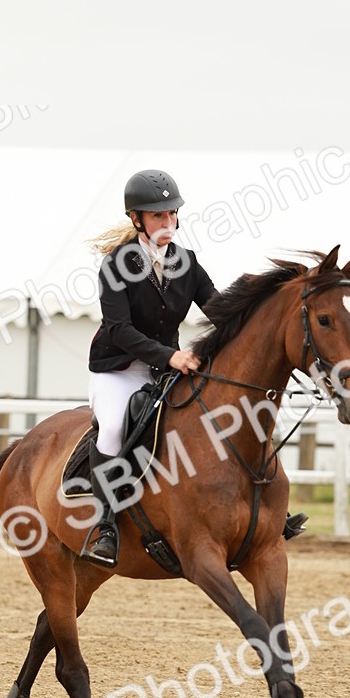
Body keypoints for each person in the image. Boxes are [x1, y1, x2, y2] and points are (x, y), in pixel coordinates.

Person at [83, 169, 217, 567]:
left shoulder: (186, 263)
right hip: (117, 369)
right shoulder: (116, 265)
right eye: (158, 216)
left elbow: (220, 310)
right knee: (112, 428)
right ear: (137, 219)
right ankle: (104, 527)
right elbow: (118, 329)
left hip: (164, 372)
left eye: (172, 214)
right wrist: (169, 355)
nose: (168, 222)